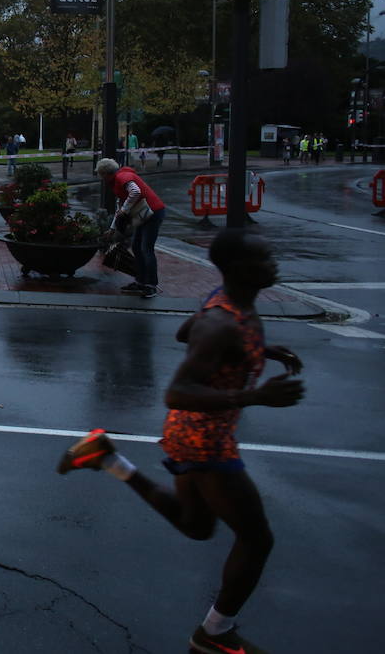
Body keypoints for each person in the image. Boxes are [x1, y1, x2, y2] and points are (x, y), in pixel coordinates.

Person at [57, 229, 303, 654]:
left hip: (193, 433)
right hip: (205, 439)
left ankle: (106, 458)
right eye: (264, 258)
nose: (273, 263)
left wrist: (257, 352)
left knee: (196, 526)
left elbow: (183, 333)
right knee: (258, 538)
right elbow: (177, 389)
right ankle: (215, 632)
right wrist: (255, 394)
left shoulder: (228, 303)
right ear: (239, 269)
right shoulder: (221, 322)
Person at [97, 157, 166, 297]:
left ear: (106, 173)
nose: (101, 178)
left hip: (153, 213)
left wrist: (125, 210)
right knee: (136, 247)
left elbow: (135, 192)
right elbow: (120, 207)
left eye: (101, 174)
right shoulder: (117, 181)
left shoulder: (123, 177)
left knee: (146, 248)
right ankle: (141, 281)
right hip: (144, 214)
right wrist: (112, 229)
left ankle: (151, 285)